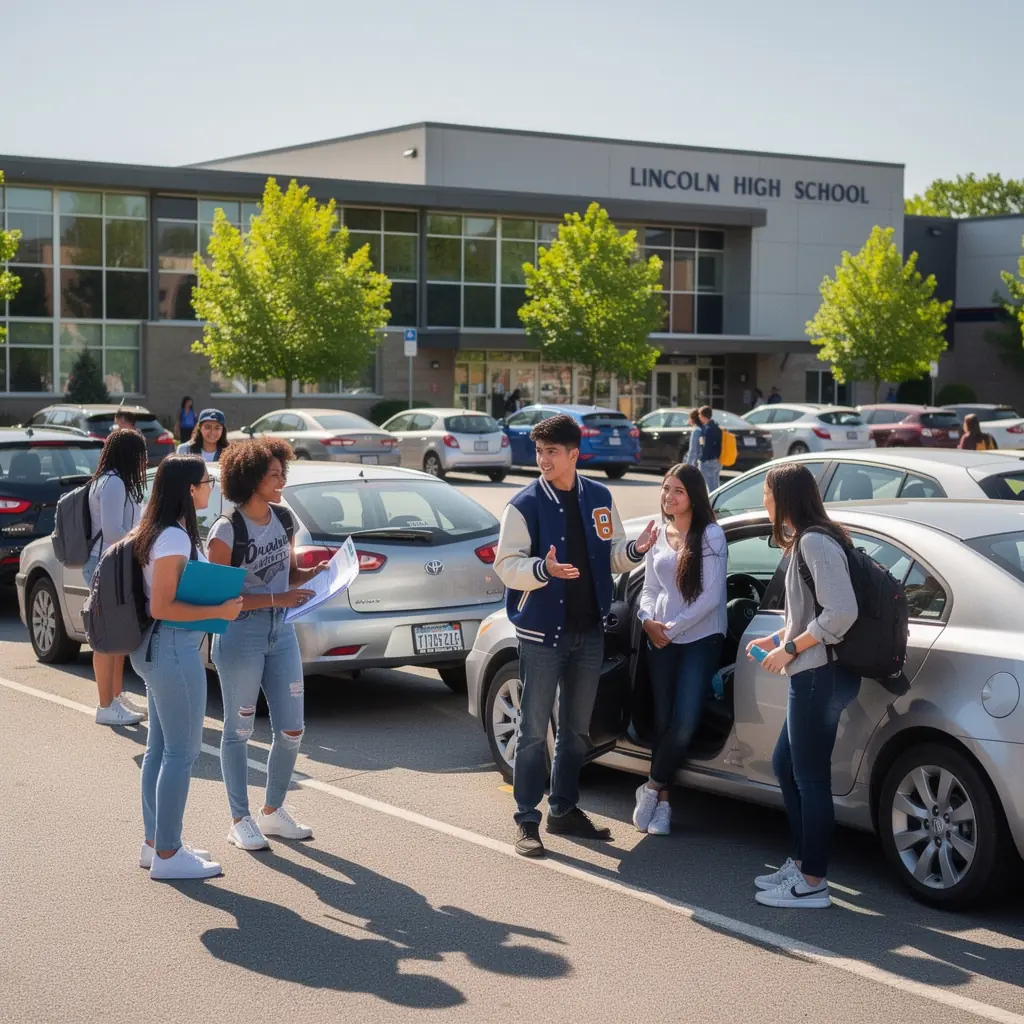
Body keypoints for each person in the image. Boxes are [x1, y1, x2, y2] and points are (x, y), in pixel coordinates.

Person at [493, 413, 658, 857]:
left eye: (551, 452)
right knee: (531, 732)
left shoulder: (600, 496)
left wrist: (637, 550)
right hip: (542, 634)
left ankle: (563, 809)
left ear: (573, 455)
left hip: (589, 634)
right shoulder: (524, 504)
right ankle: (527, 818)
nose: (542, 459)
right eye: (539, 451)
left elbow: (612, 556)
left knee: (576, 731)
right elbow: (505, 566)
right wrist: (543, 569)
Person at [745, 463, 859, 909]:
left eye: (767, 493)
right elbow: (812, 612)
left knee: (810, 778)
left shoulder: (815, 541)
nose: (763, 502)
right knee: (784, 766)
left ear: (785, 498)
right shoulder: (805, 541)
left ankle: (813, 882)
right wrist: (776, 640)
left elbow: (841, 612)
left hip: (819, 676)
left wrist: (789, 648)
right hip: (811, 673)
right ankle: (802, 861)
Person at [207, 438, 329, 852]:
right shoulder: (226, 531)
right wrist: (276, 598)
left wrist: (319, 575)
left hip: (282, 633)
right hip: (241, 635)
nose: (282, 480)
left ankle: (272, 812)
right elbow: (217, 600)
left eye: (283, 472)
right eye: (274, 474)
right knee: (238, 730)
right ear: (250, 478)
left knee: (292, 728)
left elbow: (288, 576)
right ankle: (239, 819)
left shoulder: (285, 518)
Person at [130, 456, 243, 880]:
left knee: (161, 751)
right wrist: (220, 609)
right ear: (189, 489)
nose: (211, 487)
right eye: (206, 481)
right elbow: (162, 606)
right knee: (181, 752)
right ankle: (169, 853)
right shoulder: (173, 538)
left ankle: (156, 843)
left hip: (160, 649)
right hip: (172, 651)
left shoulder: (159, 530)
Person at [634, 464, 726, 835]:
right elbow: (650, 588)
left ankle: (651, 786)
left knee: (684, 722)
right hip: (660, 637)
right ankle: (664, 807)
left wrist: (669, 629)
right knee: (663, 720)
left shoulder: (711, 536)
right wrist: (645, 620)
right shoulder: (659, 533)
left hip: (699, 639)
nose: (669, 497)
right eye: (665, 489)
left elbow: (711, 598)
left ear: (694, 497)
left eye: (678, 491)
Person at [86, 428, 149, 726]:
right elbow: (113, 532)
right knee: (106, 638)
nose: (144, 460)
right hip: (108, 566)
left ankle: (116, 696)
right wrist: (143, 538)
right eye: (141, 454)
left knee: (117, 634)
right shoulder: (113, 484)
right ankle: (105, 704)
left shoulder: (112, 480)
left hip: (113, 565)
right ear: (129, 454)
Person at [697, 405, 722, 493]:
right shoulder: (716, 427)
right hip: (717, 460)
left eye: (699, 415)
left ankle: (712, 505)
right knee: (716, 485)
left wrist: (701, 459)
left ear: (703, 416)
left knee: (711, 488)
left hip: (708, 461)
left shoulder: (707, 429)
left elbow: (706, 446)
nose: (699, 417)